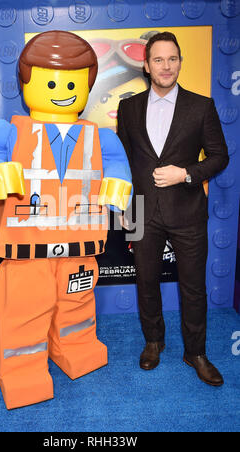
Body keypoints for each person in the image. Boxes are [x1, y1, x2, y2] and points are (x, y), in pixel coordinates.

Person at [0, 31, 132, 409]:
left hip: (79, 250)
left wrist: (119, 185)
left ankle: (75, 345)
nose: (62, 90)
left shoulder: (100, 138)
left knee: (77, 305)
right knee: (22, 312)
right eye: (51, 81)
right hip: (26, 254)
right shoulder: (10, 130)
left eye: (72, 82)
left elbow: (117, 166)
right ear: (27, 83)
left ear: (86, 87)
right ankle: (22, 371)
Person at [117, 31, 229, 386]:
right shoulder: (128, 107)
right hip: (139, 210)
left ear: (180, 62)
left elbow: (219, 156)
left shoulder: (202, 106)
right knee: (145, 282)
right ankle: (154, 342)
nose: (167, 66)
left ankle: (195, 352)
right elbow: (121, 160)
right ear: (146, 65)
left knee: (193, 287)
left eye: (173, 59)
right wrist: (122, 202)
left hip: (188, 212)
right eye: (159, 60)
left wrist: (186, 173)